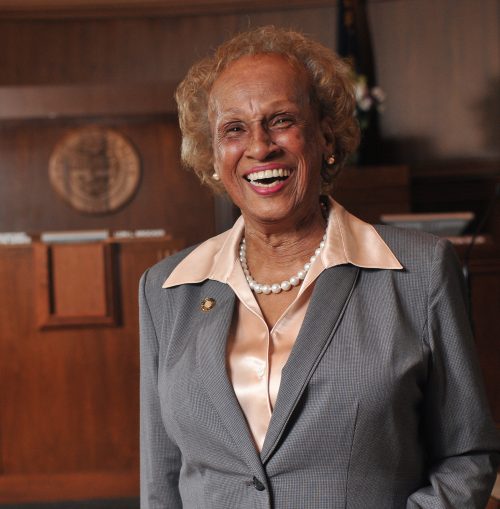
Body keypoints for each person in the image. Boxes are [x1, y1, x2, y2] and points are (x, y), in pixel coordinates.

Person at [139, 25, 499, 508]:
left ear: (325, 133)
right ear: (213, 154)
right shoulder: (165, 288)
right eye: (234, 129)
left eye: (281, 119)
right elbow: (160, 480)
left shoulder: (421, 271)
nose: (260, 146)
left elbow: (466, 457)